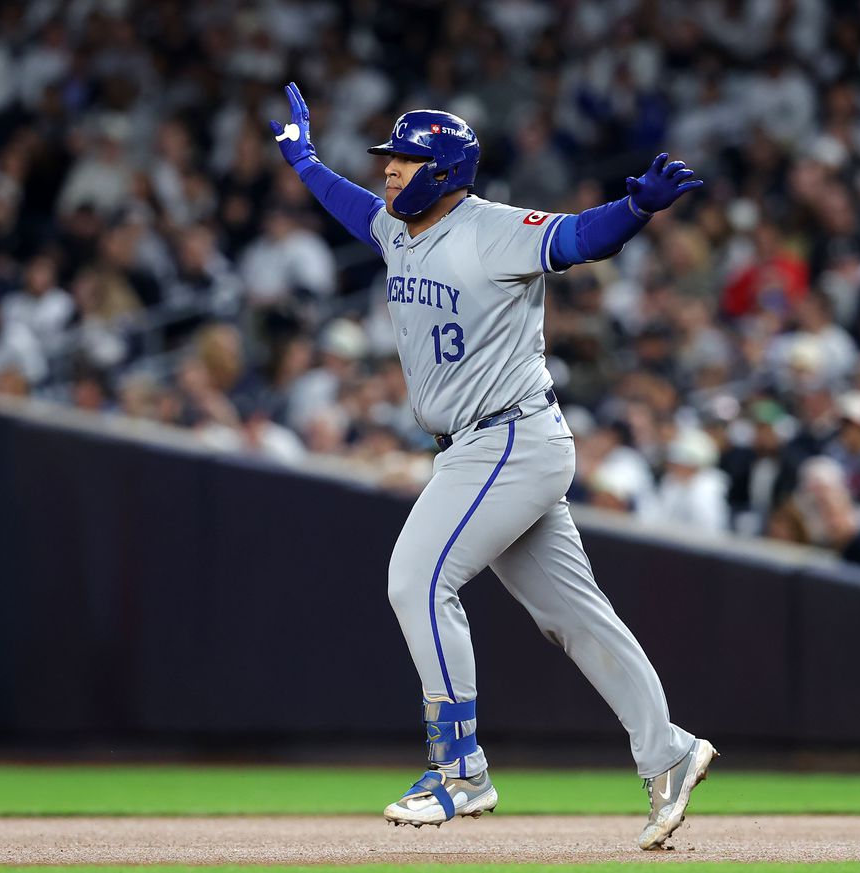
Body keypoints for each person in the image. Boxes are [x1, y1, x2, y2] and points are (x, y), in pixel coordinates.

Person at [270, 84, 715, 849]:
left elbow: (579, 239)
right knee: (574, 616)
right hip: (482, 446)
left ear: (444, 170)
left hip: (507, 437)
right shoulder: (400, 230)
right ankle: (668, 751)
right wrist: (307, 161)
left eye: (405, 160)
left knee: (415, 577)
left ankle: (459, 768)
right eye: (389, 158)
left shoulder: (492, 230)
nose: (389, 171)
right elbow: (353, 210)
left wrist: (635, 210)